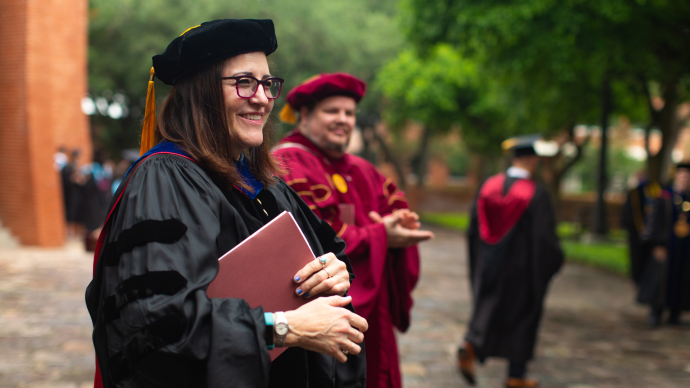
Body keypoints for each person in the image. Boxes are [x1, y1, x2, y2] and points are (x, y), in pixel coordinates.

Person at [85, 19, 368, 388]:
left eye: (268, 84)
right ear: (200, 93)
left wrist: (334, 270)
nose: (263, 97)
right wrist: (286, 328)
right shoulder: (165, 178)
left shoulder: (266, 184)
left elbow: (330, 252)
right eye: (244, 82)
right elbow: (152, 325)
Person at [272, 73, 434, 388]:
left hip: (375, 307)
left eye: (349, 113)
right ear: (304, 115)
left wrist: (401, 224)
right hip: (322, 308)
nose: (343, 120)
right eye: (332, 111)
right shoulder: (286, 162)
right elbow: (310, 237)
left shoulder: (360, 167)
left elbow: (396, 204)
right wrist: (381, 234)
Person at [457, 135, 563, 388]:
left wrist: (483, 260)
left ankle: (470, 345)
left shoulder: (488, 186)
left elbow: (473, 230)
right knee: (523, 316)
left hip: (489, 265)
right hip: (522, 271)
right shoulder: (535, 193)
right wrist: (555, 259)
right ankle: (516, 373)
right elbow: (543, 238)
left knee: (488, 307)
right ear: (530, 159)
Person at [641, 162, 690, 327]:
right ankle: (656, 313)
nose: (685, 178)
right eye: (682, 175)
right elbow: (654, 222)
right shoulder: (664, 196)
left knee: (682, 280)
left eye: (687, 176)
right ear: (675, 176)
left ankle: (675, 314)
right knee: (661, 281)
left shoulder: (688, 198)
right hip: (666, 246)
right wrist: (657, 244)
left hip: (685, 248)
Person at [619, 172, 665, 324]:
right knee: (636, 259)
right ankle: (636, 278)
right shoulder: (633, 194)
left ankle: (641, 281)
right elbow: (629, 214)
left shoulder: (656, 191)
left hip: (648, 236)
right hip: (636, 235)